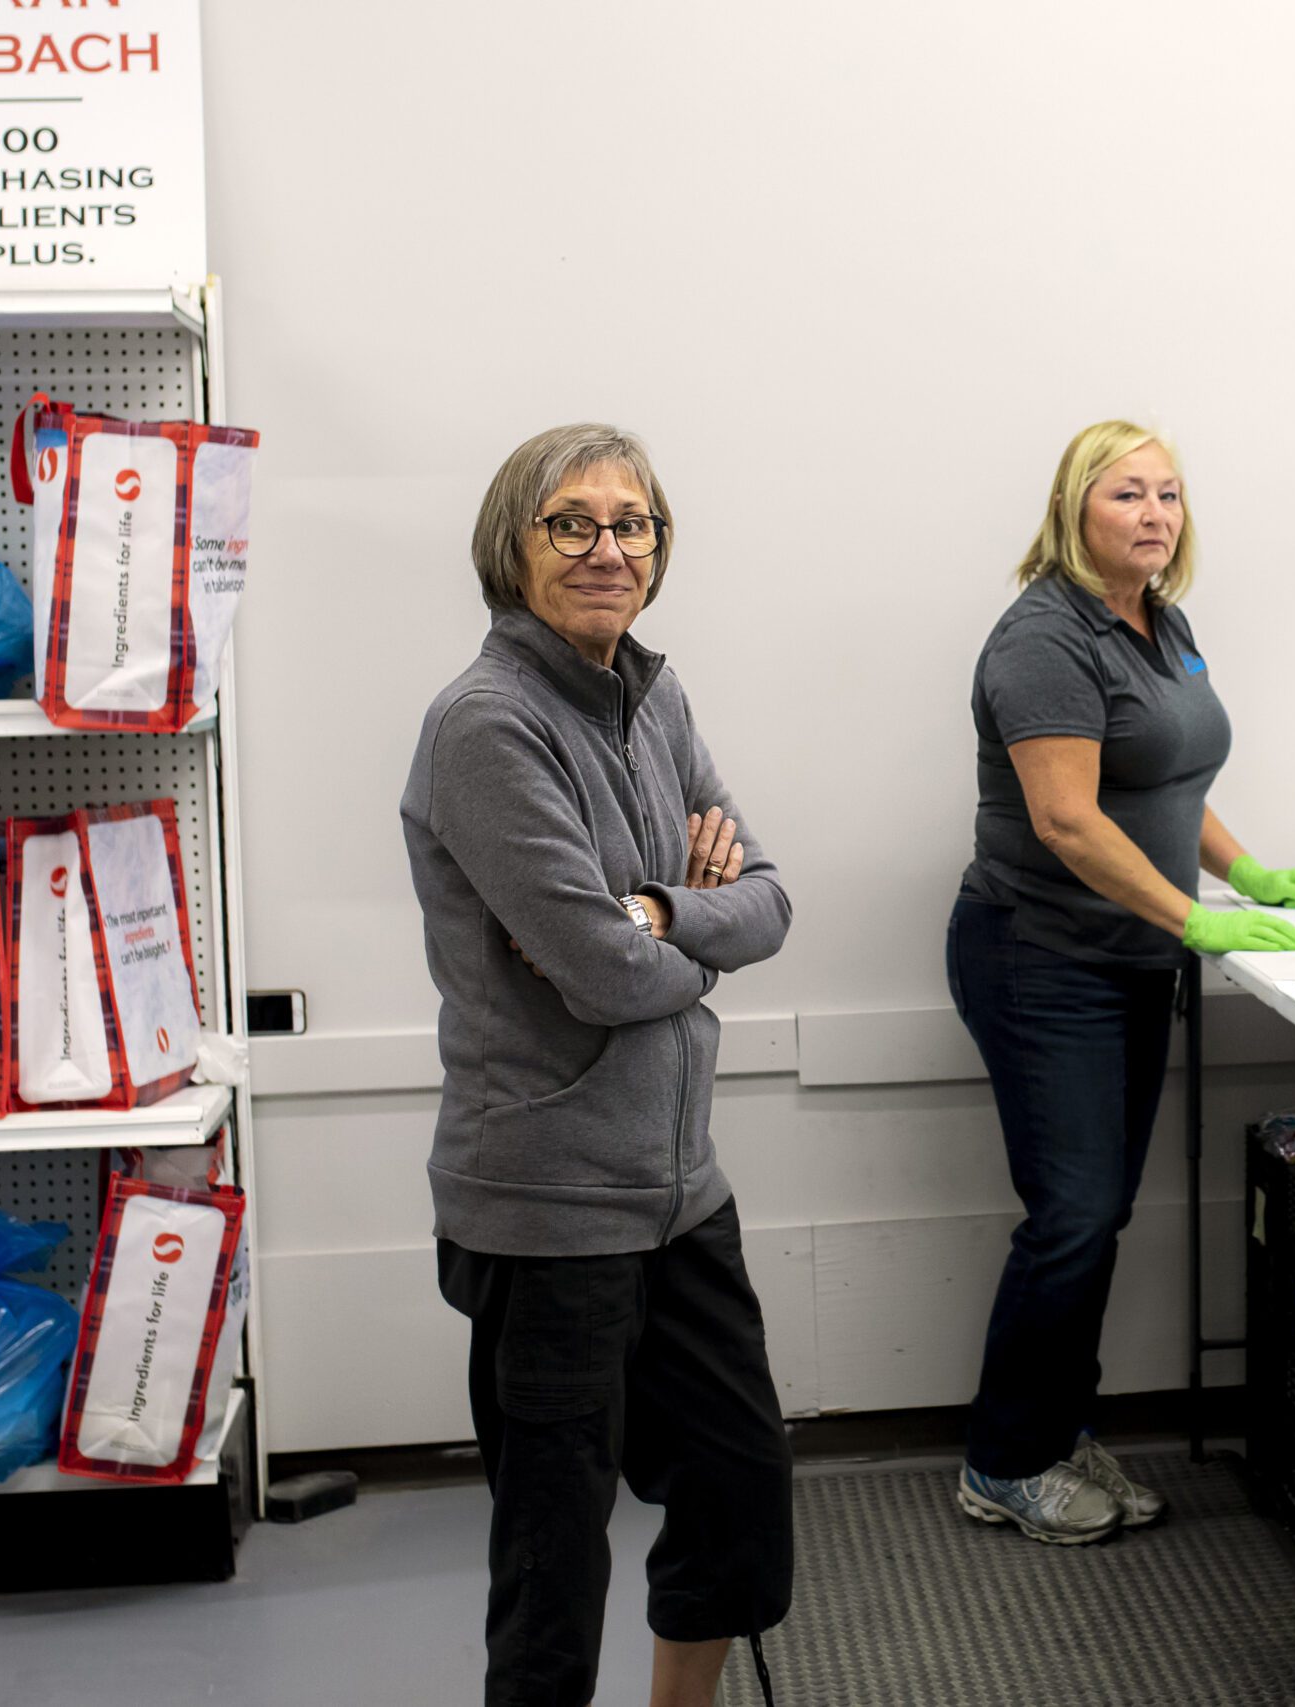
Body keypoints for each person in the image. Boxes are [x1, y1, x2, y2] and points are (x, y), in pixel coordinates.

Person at [401, 424, 794, 1706]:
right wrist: (665, 921)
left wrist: (667, 911)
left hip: (681, 1190)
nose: (607, 548)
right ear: (512, 548)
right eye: (572, 522)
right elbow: (599, 974)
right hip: (548, 1204)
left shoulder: (654, 693)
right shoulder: (484, 725)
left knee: (738, 1499)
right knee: (553, 1565)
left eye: (633, 525)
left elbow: (771, 899)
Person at [948, 419, 1295, 1543]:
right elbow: (1066, 819)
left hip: (1127, 958)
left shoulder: (1160, 620)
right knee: (1072, 1216)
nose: (1153, 515)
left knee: (1095, 1218)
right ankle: (1004, 1461)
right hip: (1038, 958)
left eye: (1167, 495)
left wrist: (1238, 864)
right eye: (1125, 495)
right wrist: (1199, 919)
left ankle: (1055, 1433)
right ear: (1074, 509)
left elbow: (1161, 772)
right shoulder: (1041, 641)